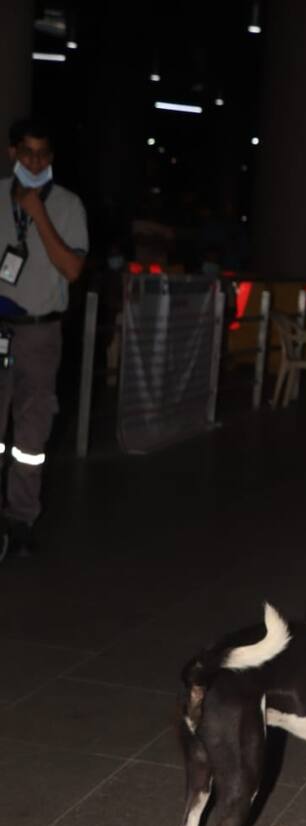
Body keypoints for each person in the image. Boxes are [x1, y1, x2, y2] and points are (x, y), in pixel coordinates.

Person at [0, 116, 88, 560]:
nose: (34, 161)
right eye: (26, 151)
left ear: (50, 158)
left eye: (42, 153)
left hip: (40, 332)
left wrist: (38, 215)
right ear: (13, 152)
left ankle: (21, 520)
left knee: (30, 436)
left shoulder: (69, 205)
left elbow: (72, 269)